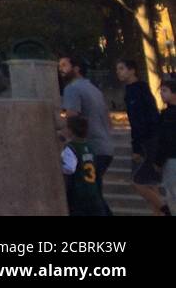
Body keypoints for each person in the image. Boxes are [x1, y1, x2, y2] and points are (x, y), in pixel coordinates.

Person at [59, 55, 114, 214]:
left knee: (86, 196)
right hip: (104, 146)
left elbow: (72, 116)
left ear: (76, 68)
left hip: (88, 148)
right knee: (95, 193)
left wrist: (62, 136)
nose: (60, 69)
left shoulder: (72, 89)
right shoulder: (94, 89)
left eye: (64, 65)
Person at [115, 58, 167, 216]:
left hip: (147, 141)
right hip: (147, 139)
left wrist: (138, 146)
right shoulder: (131, 90)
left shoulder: (139, 89)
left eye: (122, 68)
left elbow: (142, 120)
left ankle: (167, 210)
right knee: (151, 183)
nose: (119, 72)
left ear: (132, 70)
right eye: (118, 69)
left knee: (138, 181)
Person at [60, 113, 109, 216]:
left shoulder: (71, 148)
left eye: (64, 127)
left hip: (79, 195)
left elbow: (69, 168)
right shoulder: (89, 148)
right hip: (93, 192)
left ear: (70, 131)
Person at [157, 77, 176, 214]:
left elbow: (166, 139)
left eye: (165, 90)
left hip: (171, 159)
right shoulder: (166, 113)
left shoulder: (169, 115)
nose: (161, 93)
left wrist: (158, 160)